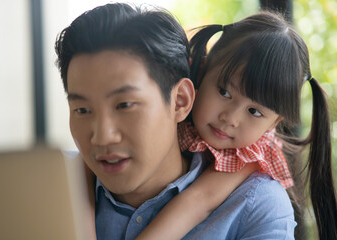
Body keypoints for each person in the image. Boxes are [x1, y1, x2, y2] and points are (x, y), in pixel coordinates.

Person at [55, 3, 296, 239]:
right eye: (83, 109)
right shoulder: (42, 186)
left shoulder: (256, 202)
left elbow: (201, 200)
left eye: (125, 105)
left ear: (181, 101)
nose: (102, 136)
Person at [136, 11, 337, 240]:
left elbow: (197, 202)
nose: (230, 118)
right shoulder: (168, 112)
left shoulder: (251, 170)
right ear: (202, 70)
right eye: (224, 92)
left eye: (254, 111)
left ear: (274, 123)